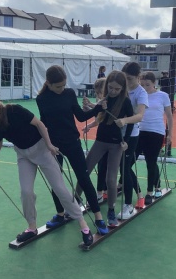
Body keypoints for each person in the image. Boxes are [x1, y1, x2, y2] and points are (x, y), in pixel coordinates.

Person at [0, 91, 94, 246]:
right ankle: (31, 227)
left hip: (42, 150)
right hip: (23, 156)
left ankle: (83, 224)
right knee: (26, 192)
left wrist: (49, 145)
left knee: (59, 188)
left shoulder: (14, 110)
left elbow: (39, 124)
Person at [36, 65, 109, 235]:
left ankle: (98, 217)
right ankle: (60, 214)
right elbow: (43, 122)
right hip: (54, 147)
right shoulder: (41, 99)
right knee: (56, 181)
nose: (62, 89)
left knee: (83, 178)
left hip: (72, 143)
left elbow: (81, 117)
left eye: (64, 85)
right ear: (48, 83)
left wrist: (98, 108)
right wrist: (44, 143)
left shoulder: (69, 93)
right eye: (58, 86)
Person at [78, 70, 134, 227]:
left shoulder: (125, 101)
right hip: (100, 141)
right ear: (107, 85)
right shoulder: (104, 99)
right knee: (84, 171)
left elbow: (131, 122)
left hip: (116, 144)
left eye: (117, 89)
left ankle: (111, 210)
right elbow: (97, 116)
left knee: (111, 179)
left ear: (122, 88)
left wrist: (126, 141)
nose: (113, 91)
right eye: (110, 88)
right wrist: (90, 108)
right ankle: (75, 200)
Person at [113, 62, 149, 217]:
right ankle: (137, 194)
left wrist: (125, 120)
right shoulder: (122, 89)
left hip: (131, 135)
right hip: (116, 133)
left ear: (138, 77)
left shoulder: (141, 93)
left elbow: (140, 116)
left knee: (125, 168)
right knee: (119, 167)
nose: (126, 82)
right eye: (124, 78)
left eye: (129, 79)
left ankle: (128, 204)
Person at [137, 71, 173, 205]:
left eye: (147, 84)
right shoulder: (139, 95)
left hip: (156, 132)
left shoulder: (163, 95)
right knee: (130, 161)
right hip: (140, 131)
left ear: (154, 83)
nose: (145, 87)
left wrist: (170, 134)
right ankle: (156, 186)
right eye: (142, 85)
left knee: (150, 161)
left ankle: (150, 191)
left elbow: (169, 116)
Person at [83, 77, 108, 202]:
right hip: (101, 137)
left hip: (111, 139)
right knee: (102, 165)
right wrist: (89, 125)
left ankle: (102, 192)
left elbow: (101, 116)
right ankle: (102, 191)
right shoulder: (100, 102)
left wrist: (91, 108)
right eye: (97, 92)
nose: (98, 95)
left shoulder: (110, 102)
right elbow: (98, 117)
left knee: (106, 166)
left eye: (100, 92)